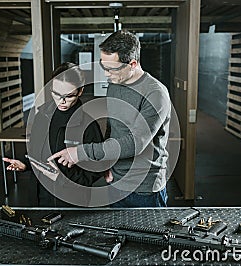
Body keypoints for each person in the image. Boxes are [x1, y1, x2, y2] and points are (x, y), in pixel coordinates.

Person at [48, 30, 172, 208]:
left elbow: (134, 143)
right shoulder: (114, 86)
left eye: (111, 68)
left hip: (144, 188)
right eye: (103, 66)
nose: (106, 74)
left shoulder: (156, 93)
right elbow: (113, 129)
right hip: (115, 181)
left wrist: (80, 152)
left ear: (132, 64)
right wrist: (105, 163)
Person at [3, 62, 104, 207]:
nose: (61, 101)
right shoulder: (42, 116)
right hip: (39, 197)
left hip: (70, 202)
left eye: (69, 96)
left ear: (80, 91)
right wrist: (25, 164)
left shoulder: (89, 126)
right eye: (56, 94)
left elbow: (94, 172)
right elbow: (37, 153)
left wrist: (60, 179)